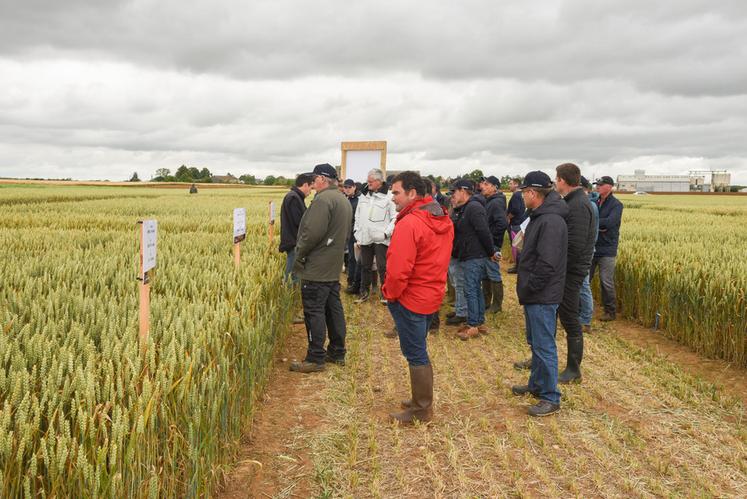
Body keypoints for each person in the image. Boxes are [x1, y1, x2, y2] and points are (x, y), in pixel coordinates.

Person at [383, 171, 453, 424]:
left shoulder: (410, 223)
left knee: (415, 353)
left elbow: (399, 269)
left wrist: (391, 294)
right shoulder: (441, 218)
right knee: (418, 349)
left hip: (411, 297)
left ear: (412, 193)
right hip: (431, 294)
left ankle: (422, 409)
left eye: (396, 192)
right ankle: (418, 401)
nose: (393, 198)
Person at [511, 171, 568, 417]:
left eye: (524, 192)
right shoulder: (539, 216)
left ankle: (550, 397)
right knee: (536, 343)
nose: (522, 196)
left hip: (542, 294)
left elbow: (547, 263)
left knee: (544, 346)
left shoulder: (550, 221)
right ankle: (536, 385)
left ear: (533, 194)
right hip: (536, 293)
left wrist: (530, 286)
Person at [290, 164, 353, 373]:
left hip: (317, 267)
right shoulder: (342, 199)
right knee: (333, 309)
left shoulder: (323, 200)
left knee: (314, 311)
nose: (313, 182)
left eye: (315, 178)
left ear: (322, 180)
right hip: (332, 266)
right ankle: (337, 350)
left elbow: (311, 233)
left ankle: (315, 357)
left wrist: (300, 254)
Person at [554, 164, 597, 384]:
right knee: (555, 313)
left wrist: (558, 266)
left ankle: (573, 368)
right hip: (568, 269)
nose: (555, 182)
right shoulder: (574, 202)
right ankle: (545, 359)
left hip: (572, 271)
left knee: (569, 316)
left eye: (556, 178)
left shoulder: (579, 206)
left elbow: (576, 245)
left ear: (562, 180)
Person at [450, 179, 497, 340]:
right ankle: (478, 321)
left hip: (475, 256)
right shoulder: (465, 208)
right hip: (469, 254)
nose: (453, 196)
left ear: (463, 191)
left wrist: (491, 252)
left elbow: (484, 231)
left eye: (454, 192)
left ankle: (473, 324)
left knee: (471, 289)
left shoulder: (474, 207)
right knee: (474, 289)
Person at [354, 168, 397, 303]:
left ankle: (385, 293)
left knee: (382, 266)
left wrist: (385, 234)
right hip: (365, 236)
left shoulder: (389, 197)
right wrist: (357, 232)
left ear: (379, 181)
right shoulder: (364, 196)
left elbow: (395, 218)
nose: (368, 183)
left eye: (370, 181)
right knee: (365, 265)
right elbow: (358, 215)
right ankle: (364, 292)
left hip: (381, 238)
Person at [591, 176, 624, 321]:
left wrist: (594, 224)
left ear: (610, 187)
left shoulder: (616, 205)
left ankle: (610, 312)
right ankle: (580, 308)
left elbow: (610, 223)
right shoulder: (594, 201)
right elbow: (591, 219)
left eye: (601, 184)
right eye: (597, 184)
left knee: (606, 281)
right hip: (592, 246)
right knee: (585, 279)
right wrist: (599, 226)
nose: (598, 186)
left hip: (607, 249)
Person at [479, 176, 508, 313]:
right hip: (487, 244)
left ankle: (497, 305)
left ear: (495, 187)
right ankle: (485, 302)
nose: (482, 186)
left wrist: (491, 240)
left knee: (493, 273)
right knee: (485, 273)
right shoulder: (489, 201)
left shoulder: (495, 203)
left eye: (486, 184)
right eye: (483, 184)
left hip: (492, 245)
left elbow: (502, 224)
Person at [279, 173, 313, 281]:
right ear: (305, 185)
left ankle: (290, 292)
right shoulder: (294, 198)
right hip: (294, 241)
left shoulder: (295, 196)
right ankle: (288, 293)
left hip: (294, 240)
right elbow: (299, 221)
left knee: (293, 272)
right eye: (311, 187)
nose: (311, 191)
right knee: (292, 273)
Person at [578, 176, 599, 333]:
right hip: (585, 249)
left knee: (583, 285)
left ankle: (585, 320)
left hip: (584, 251)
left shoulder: (589, 205)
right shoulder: (589, 204)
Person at [445, 188, 468, 326]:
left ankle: (462, 313)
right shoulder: (455, 210)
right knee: (456, 283)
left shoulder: (464, 211)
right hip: (453, 251)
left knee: (460, 284)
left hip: (458, 253)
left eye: (453, 196)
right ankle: (460, 309)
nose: (451, 199)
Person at [342, 179, 362, 295]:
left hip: (355, 233)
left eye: (349, 187)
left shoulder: (360, 200)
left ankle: (356, 283)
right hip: (345, 232)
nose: (347, 189)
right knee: (350, 258)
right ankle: (351, 282)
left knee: (355, 258)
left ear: (354, 187)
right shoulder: (344, 199)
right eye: (345, 187)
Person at [506, 177, 527, 273]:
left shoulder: (516, 196)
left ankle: (518, 267)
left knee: (516, 245)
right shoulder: (521, 195)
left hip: (515, 223)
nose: (509, 185)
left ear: (516, 185)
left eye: (511, 183)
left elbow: (515, 209)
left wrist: (508, 217)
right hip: (520, 222)